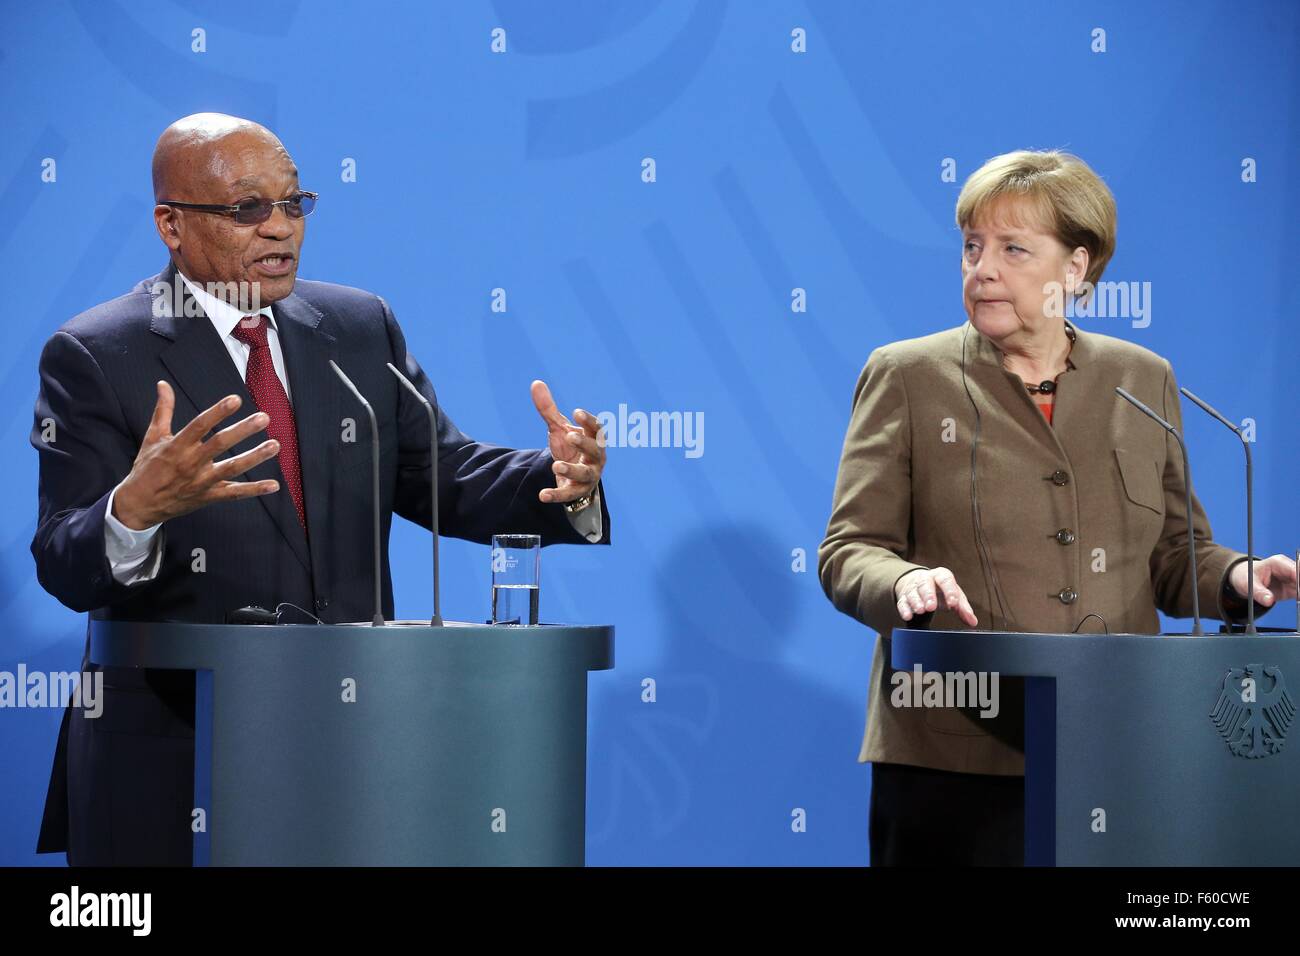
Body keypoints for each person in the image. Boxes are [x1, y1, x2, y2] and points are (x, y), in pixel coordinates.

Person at [30, 113, 611, 866]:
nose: (280, 230)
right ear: (171, 226)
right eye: (248, 210)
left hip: (357, 746)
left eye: (293, 204)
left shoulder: (356, 327)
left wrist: (560, 482)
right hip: (180, 756)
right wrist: (133, 511)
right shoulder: (99, 353)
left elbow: (442, 475)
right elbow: (60, 557)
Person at [817, 149, 1297, 866]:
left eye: (1013, 249)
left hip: (1116, 746)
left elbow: (1174, 557)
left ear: (1076, 269)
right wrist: (902, 583)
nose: (982, 269)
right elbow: (848, 551)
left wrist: (1236, 580)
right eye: (972, 247)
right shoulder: (908, 377)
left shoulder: (1143, 378)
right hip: (954, 752)